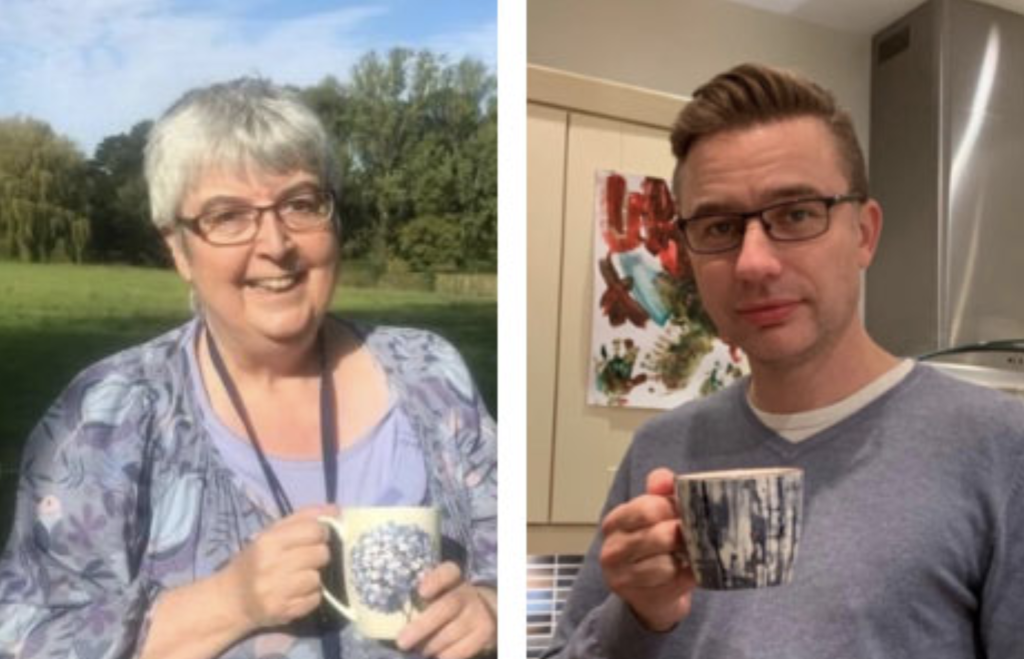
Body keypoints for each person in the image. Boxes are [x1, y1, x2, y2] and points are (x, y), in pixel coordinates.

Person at [0, 78, 497, 659]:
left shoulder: (429, 372)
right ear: (179, 249)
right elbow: (25, 634)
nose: (276, 243)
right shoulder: (107, 412)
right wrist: (230, 602)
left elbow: (509, 561)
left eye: (301, 203)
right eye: (228, 215)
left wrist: (488, 608)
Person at [542, 63, 1024, 658]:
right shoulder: (660, 451)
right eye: (719, 226)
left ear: (864, 234)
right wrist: (640, 615)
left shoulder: (999, 446)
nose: (754, 263)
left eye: (796, 214)